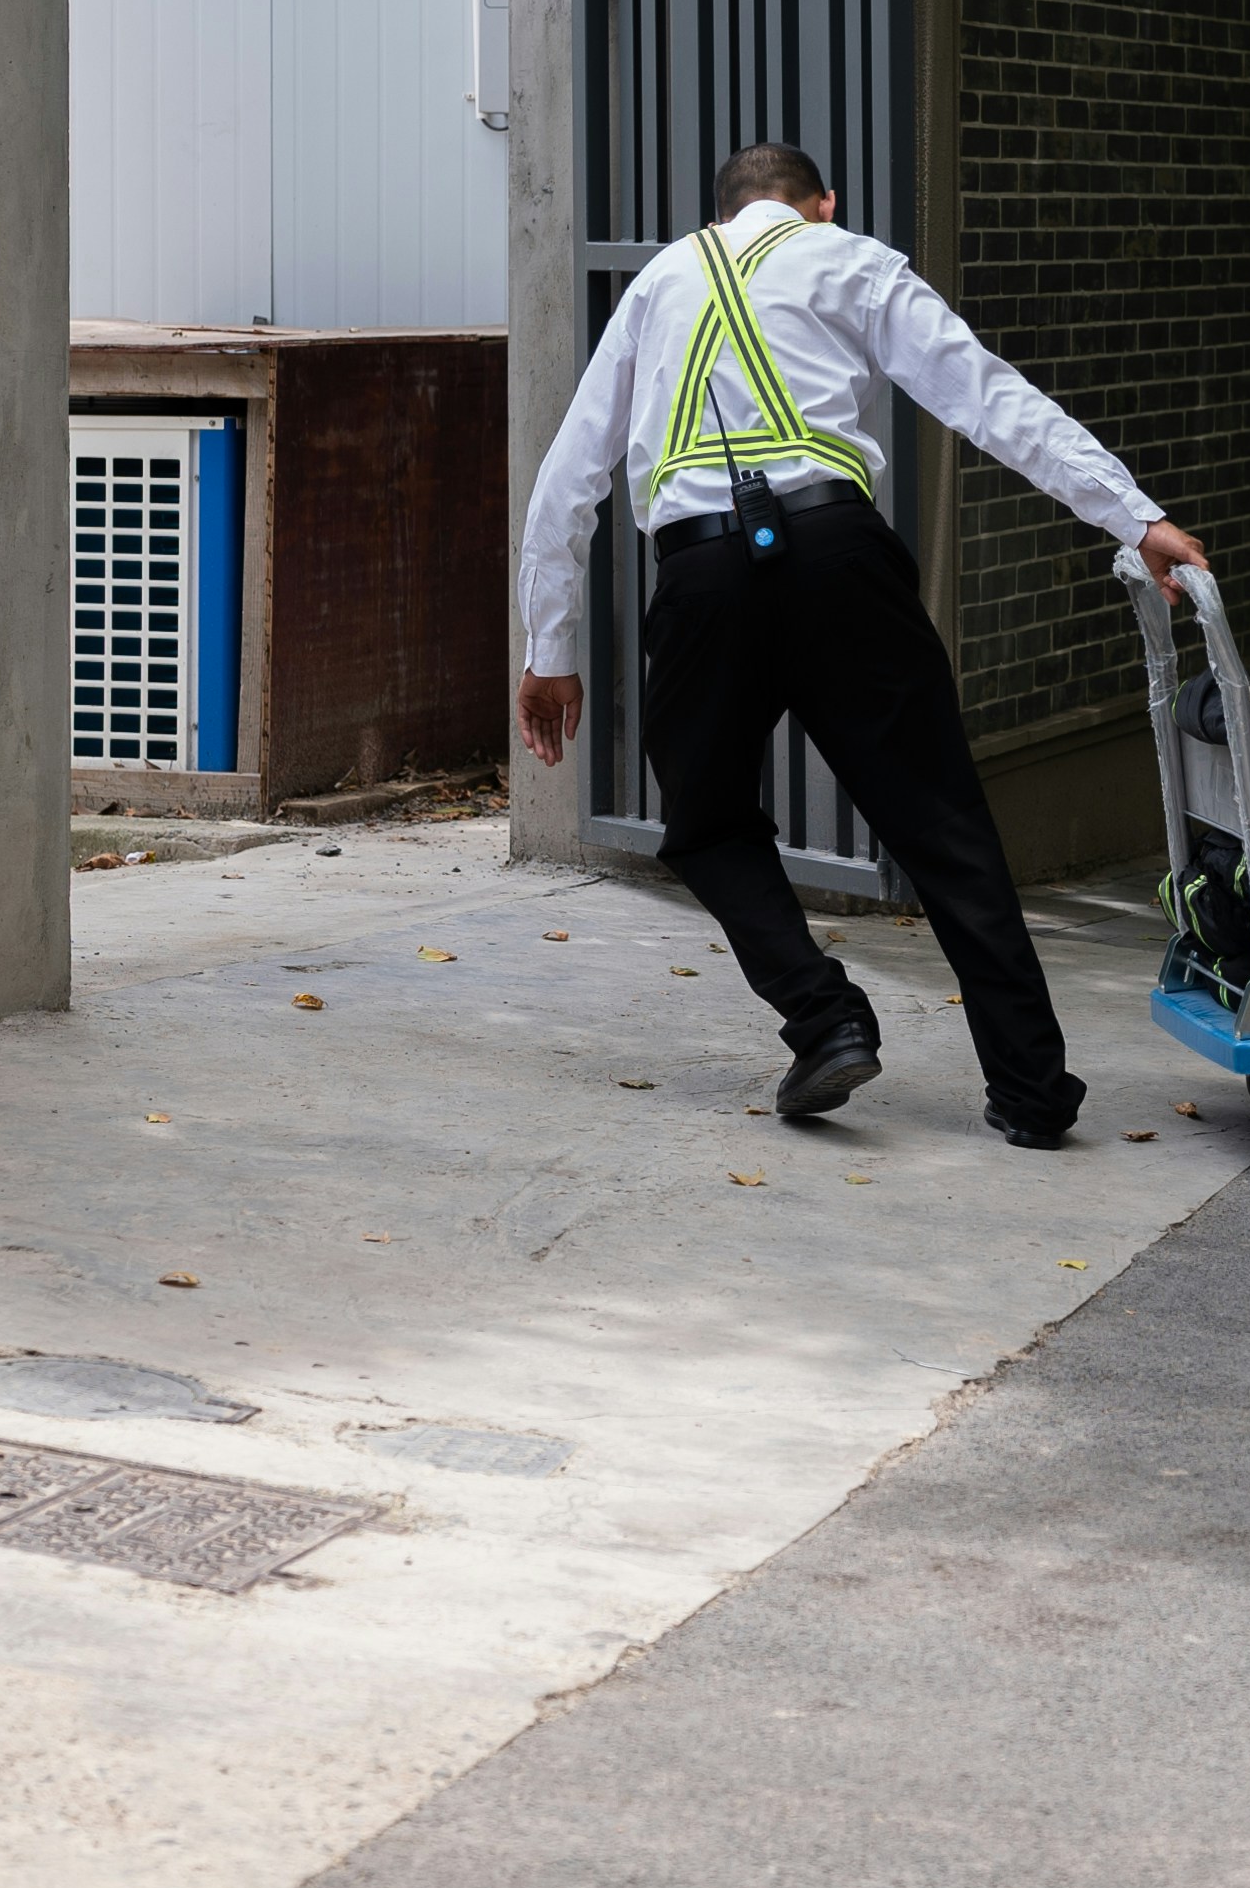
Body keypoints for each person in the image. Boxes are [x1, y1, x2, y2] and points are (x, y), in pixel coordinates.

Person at [512, 142, 1204, 1146]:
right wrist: (1132, 517)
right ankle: (1031, 1089)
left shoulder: (660, 281)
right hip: (840, 560)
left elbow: (568, 479)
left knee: (705, 821)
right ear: (822, 205)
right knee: (942, 825)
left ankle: (823, 1013)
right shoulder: (853, 259)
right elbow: (986, 394)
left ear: (721, 213)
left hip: (701, 576)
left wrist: (552, 649)